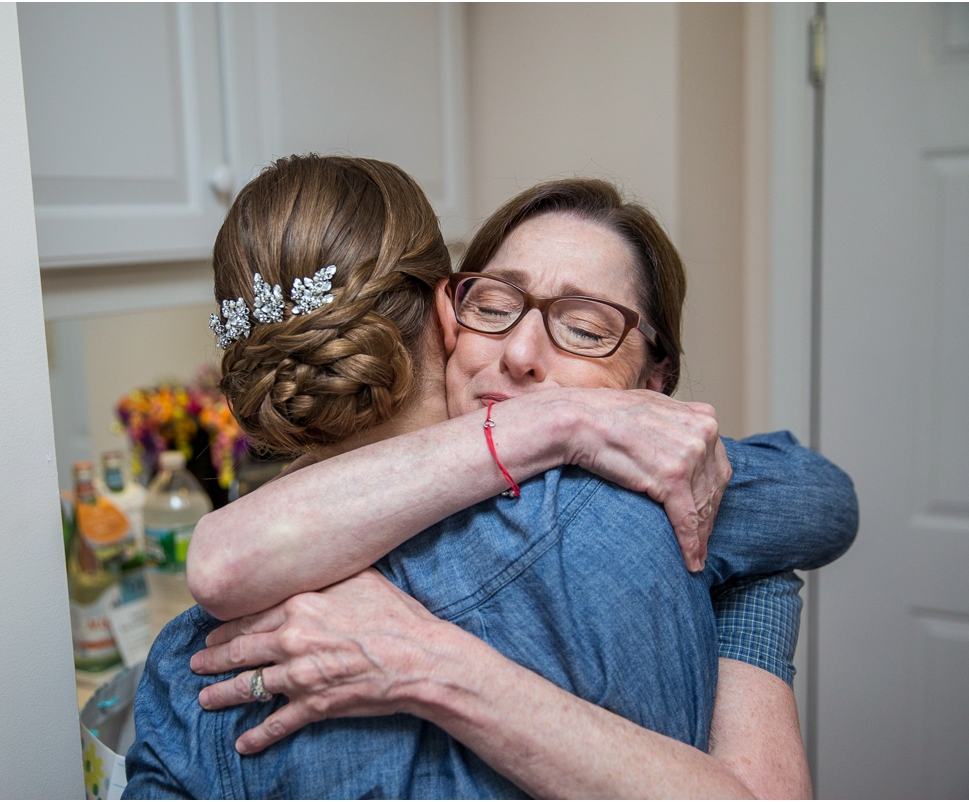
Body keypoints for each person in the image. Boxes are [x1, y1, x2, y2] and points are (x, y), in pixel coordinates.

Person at [123, 156, 856, 798]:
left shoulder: (180, 671)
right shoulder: (628, 523)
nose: (523, 353)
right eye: (495, 307)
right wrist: (558, 422)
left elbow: (821, 497)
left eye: (587, 328)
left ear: (654, 387)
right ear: (449, 316)